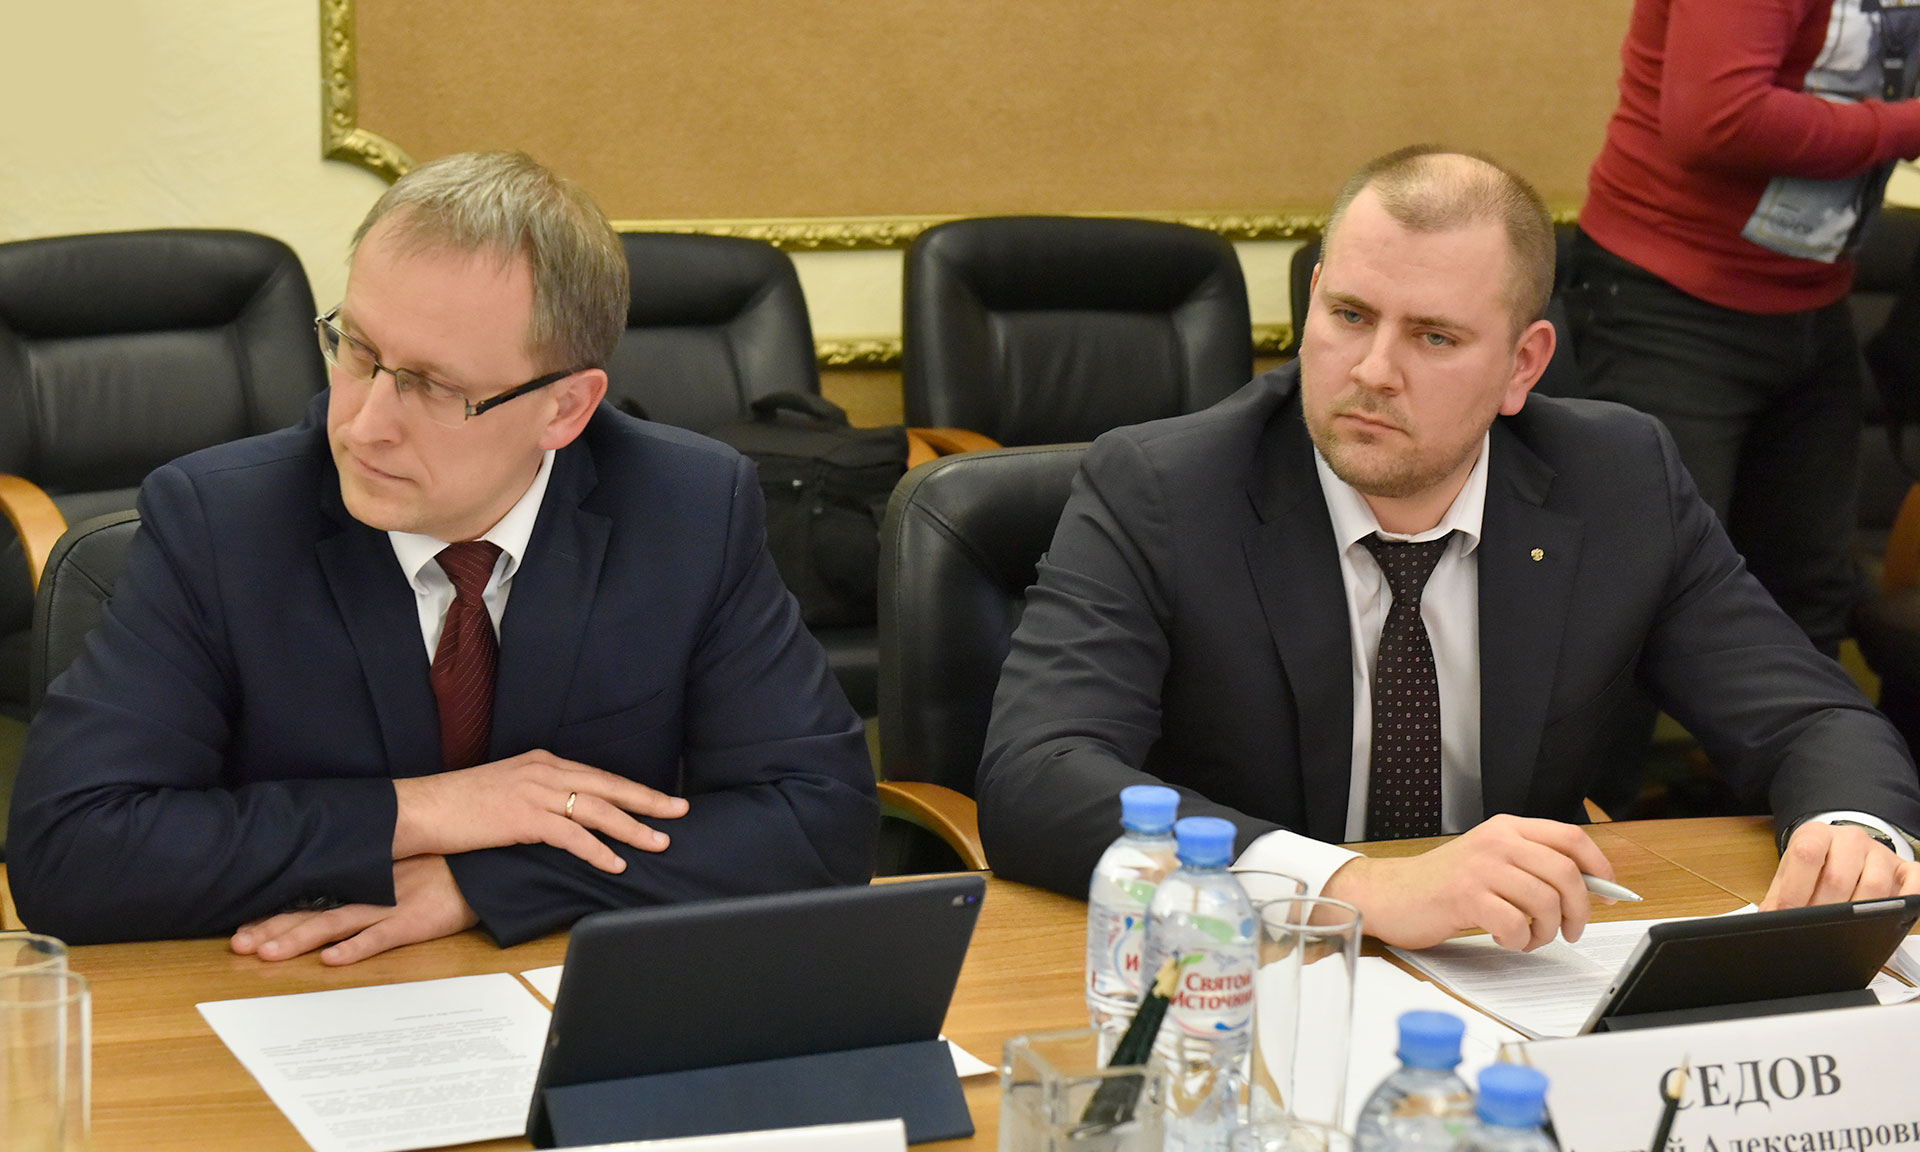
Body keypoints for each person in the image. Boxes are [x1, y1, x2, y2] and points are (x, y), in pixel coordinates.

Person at [977, 147, 1920, 953]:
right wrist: (1350, 886)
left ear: (1523, 364)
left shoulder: (1618, 479)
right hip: (1243, 971)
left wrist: (1853, 828)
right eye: (1349, 315)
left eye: (1433, 336)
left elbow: (1811, 717)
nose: (1373, 371)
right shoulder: (1164, 487)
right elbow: (1038, 772)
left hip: (1512, 972)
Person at [6, 152, 878, 963]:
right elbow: (71, 854)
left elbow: (820, 823)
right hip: (295, 1000)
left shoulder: (687, 509)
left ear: (565, 410)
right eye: (358, 351)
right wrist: (423, 812)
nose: (364, 425)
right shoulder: (221, 523)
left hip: (565, 999)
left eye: (432, 386)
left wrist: (487, 881)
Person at [1564, 0, 1920, 658]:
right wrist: (1906, 126)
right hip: (1671, 301)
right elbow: (1717, 119)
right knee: (1652, 602)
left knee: (1807, 603)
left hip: (1815, 301)